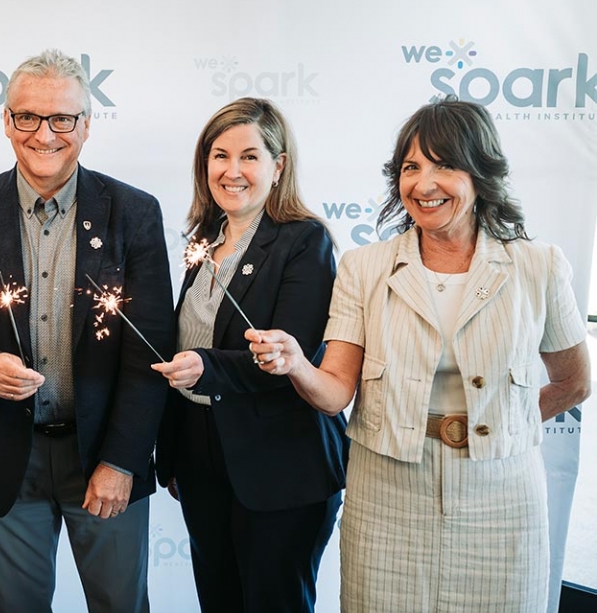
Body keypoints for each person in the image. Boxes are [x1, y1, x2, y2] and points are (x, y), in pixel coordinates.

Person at [248, 97, 591, 612]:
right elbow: (335, 391)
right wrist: (297, 363)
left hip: (502, 497)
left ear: (480, 173)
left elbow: (574, 382)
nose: (424, 184)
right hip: (385, 496)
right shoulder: (364, 267)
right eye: (411, 168)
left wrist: (500, 422)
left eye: (444, 165)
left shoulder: (538, 266)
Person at [0, 49, 174, 613]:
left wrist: (122, 461)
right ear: (7, 121)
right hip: (8, 456)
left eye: (62, 118)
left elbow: (150, 352)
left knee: (120, 605)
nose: (44, 134)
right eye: (29, 117)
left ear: (86, 124)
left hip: (104, 454)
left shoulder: (134, 213)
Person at [151, 98, 347, 613]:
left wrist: (206, 366)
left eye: (249, 157)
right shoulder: (204, 241)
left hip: (280, 467)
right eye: (220, 156)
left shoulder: (303, 241)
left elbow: (288, 357)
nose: (231, 171)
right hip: (201, 456)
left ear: (278, 166)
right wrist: (174, 452)